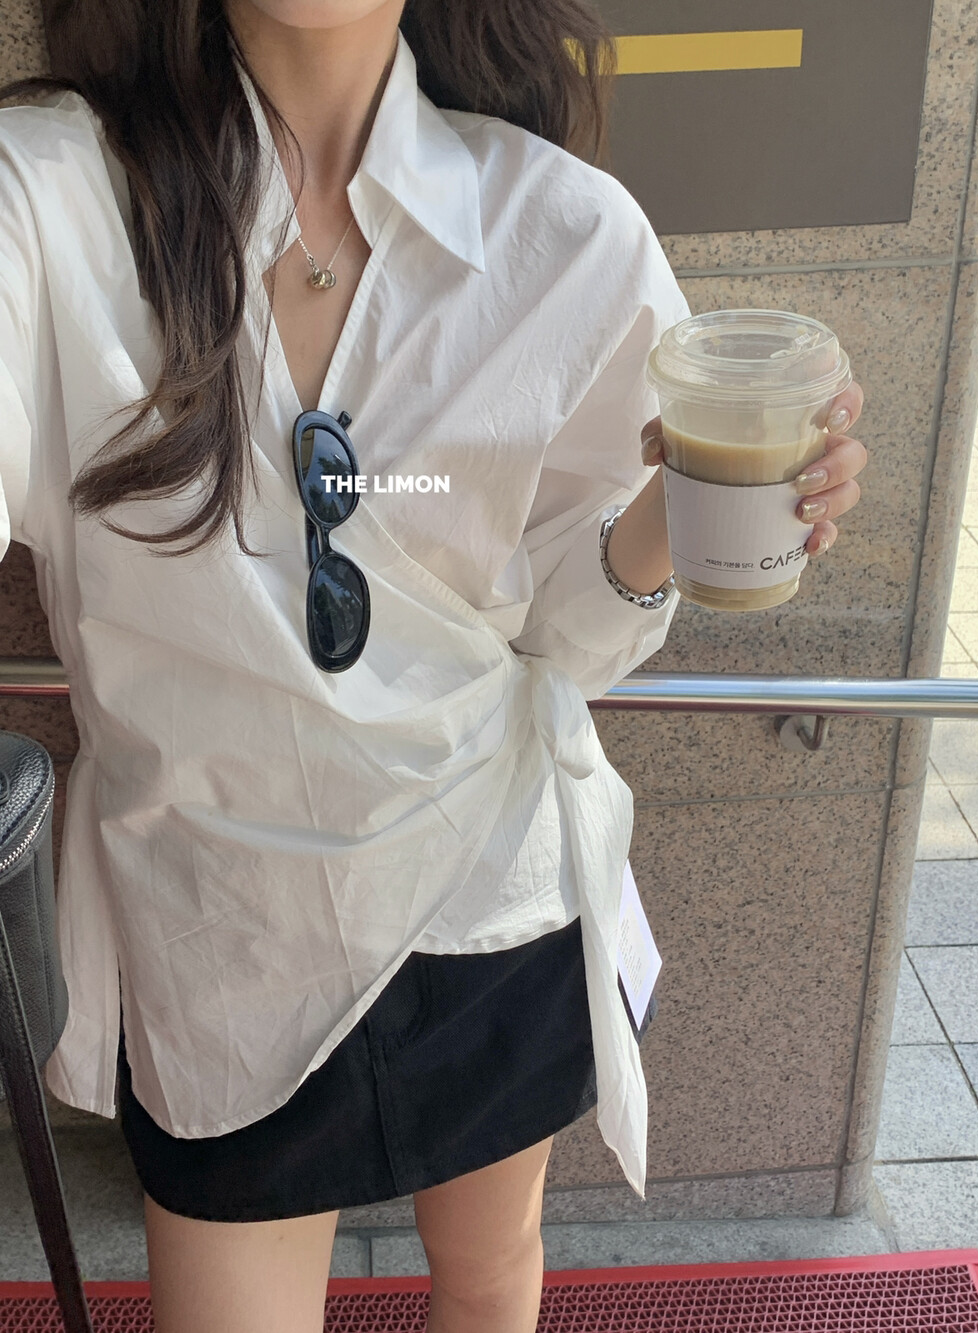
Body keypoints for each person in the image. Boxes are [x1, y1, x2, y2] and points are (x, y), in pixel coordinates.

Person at [0, 1, 867, 1330]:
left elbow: (563, 640)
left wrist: (680, 511)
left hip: (490, 894)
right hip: (226, 933)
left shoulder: (564, 231)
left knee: (489, 1276)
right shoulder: (51, 197)